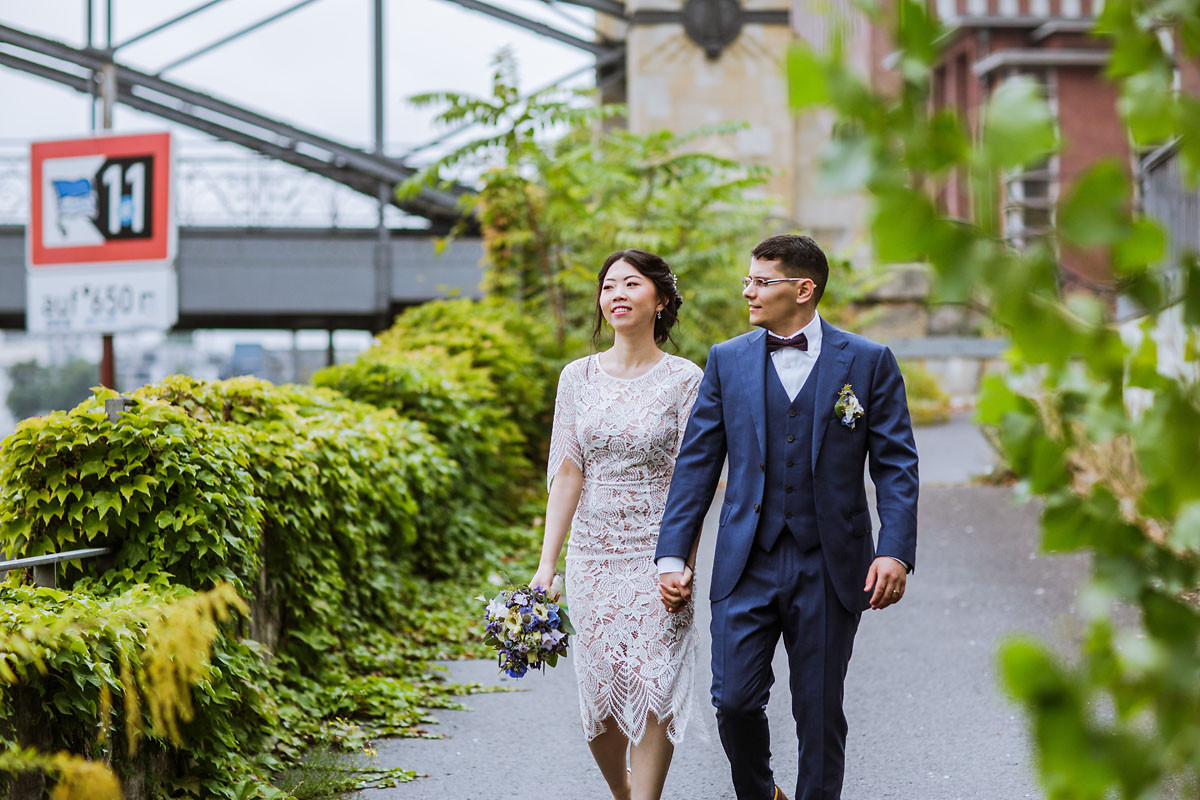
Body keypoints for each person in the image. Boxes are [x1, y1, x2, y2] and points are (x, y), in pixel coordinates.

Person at [655, 234, 919, 800]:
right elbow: (698, 462)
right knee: (734, 701)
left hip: (830, 562)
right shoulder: (728, 360)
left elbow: (896, 464)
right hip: (745, 560)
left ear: (804, 289)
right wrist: (673, 554)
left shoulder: (869, 363)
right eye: (747, 280)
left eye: (761, 281)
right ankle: (762, 792)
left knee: (820, 712)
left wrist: (894, 550)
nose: (747, 291)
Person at [530, 249, 704, 800]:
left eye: (632, 284)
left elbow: (691, 482)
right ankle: (623, 793)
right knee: (601, 697)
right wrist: (546, 566)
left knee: (654, 689)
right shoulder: (576, 377)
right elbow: (568, 471)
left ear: (662, 300)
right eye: (608, 286)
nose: (618, 295)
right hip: (593, 556)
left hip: (659, 553)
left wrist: (683, 564)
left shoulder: (686, 380)